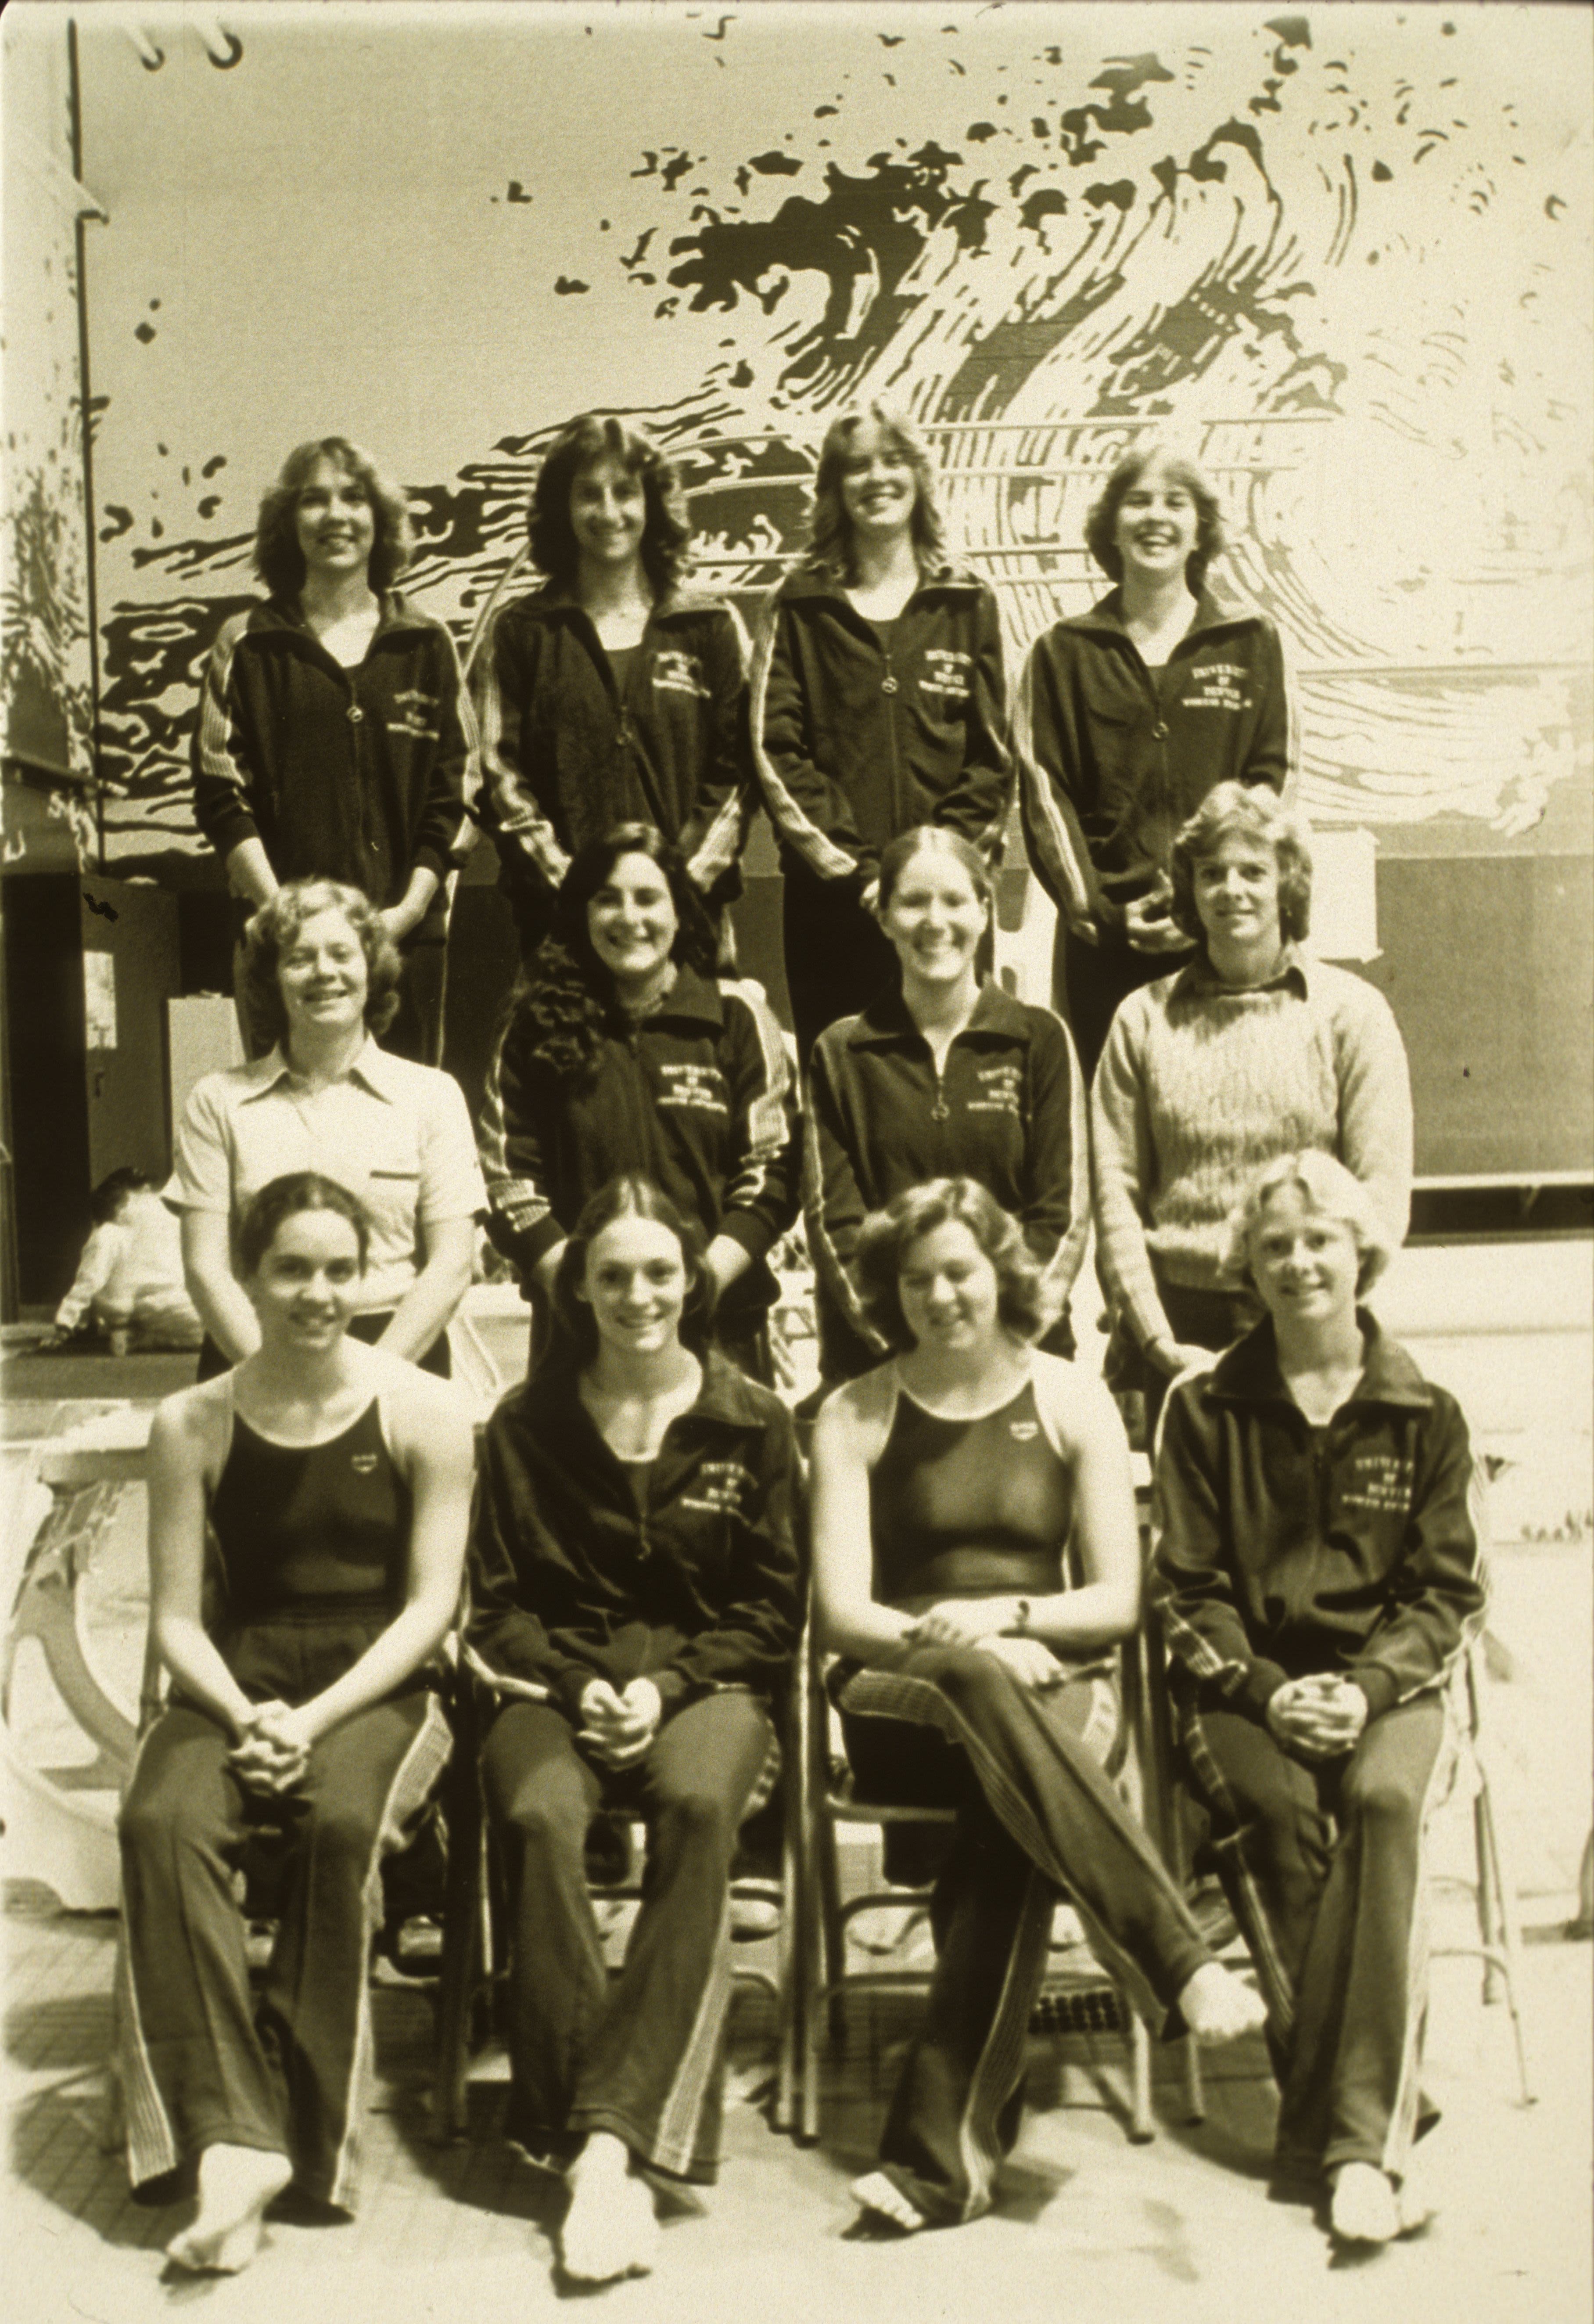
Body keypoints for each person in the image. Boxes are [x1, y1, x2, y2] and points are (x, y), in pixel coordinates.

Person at [809, 1177, 1265, 2235]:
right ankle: (1171, 1952)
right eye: (914, 1279)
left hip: (1053, 1681)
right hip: (897, 1694)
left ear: (1000, 1274)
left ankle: (938, 2168)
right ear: (891, 1290)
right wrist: (964, 1644)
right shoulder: (855, 1409)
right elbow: (840, 1614)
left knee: (1005, 1821)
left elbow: (1114, 1602)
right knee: (977, 1687)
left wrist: (1008, 1617)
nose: (937, 1296)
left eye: (957, 1271)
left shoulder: (1068, 1397)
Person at [116, 1172, 476, 2274]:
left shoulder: (424, 1407)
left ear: (368, 1275)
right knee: (158, 1822)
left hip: (378, 1679)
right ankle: (234, 2147)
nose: (317, 1292)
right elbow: (177, 1619)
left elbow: (431, 1608)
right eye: (291, 1269)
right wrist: (242, 1711)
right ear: (250, 1278)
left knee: (337, 1827)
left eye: (338, 1269)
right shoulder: (193, 1421)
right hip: (240, 1674)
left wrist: (310, 1719)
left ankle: (309, 2154)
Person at [466, 1175, 801, 2285]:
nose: (635, 1293)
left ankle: (600, 2148)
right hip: (550, 1687)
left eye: (658, 1270)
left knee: (701, 1805)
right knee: (537, 1809)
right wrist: (572, 1691)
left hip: (704, 1684)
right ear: (575, 1287)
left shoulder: (752, 1420)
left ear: (690, 1279)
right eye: (609, 1274)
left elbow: (769, 1608)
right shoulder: (522, 1424)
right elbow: (500, 1602)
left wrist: (665, 1689)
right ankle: (599, 2137)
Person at [1151, 1150, 1487, 2247]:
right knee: (1281, 1816)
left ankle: (1344, 2145)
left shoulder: (1424, 1409)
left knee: (1383, 1807)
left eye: (1317, 1241)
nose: (1296, 1263)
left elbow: (1444, 1593)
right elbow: (1181, 1589)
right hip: (1244, 1694)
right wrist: (1264, 1689)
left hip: (1388, 1687)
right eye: (1271, 1246)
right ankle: (1376, 2135)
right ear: (1243, 1268)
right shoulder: (1199, 1406)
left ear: (1361, 1255)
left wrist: (1368, 1685)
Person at [1091, 781, 1412, 1430]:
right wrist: (1158, 1344)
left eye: (1253, 871)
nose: (1231, 889)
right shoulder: (1141, 1019)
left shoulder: (1351, 1013)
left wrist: (1319, 1321)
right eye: (1211, 873)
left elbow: (1381, 1195)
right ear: (1190, 889)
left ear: (1287, 884)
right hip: (1178, 1333)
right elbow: (1115, 1198)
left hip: (1309, 1316)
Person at [190, 434, 479, 1065]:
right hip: (281, 943)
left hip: (404, 941)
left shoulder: (426, 642)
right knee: (287, 1136)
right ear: (288, 524)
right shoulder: (247, 643)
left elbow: (458, 794)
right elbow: (220, 790)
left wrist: (404, 914)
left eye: (353, 498)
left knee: (398, 1138)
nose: (336, 516)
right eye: (313, 500)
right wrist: (286, 916)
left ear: (379, 519)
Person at [477, 824, 800, 1378]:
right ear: (581, 912)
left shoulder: (737, 1017)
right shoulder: (531, 1026)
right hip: (577, 1328)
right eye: (607, 899)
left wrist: (700, 1283)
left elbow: (772, 1167)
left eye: (648, 898)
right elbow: (506, 1177)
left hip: (722, 1322)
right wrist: (586, 1291)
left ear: (680, 911)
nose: (630, 918)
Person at [1016, 441, 1292, 1076]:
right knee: (1120, 1136)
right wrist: (1101, 917)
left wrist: (1214, 905)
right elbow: (1042, 795)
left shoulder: (1253, 642)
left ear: (1201, 529)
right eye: (1137, 501)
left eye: (1176, 502)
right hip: (1110, 942)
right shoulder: (1061, 653)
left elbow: (1272, 782)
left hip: (1226, 936)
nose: (1156, 517)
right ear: (1112, 526)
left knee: (1237, 1113)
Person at [752, 402, 1012, 1059]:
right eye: (858, 466)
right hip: (833, 905)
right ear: (835, 490)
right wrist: (864, 877)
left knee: (950, 1075)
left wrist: (936, 879)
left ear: (920, 478)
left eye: (893, 461)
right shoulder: (798, 605)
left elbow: (995, 757)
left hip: (944, 911)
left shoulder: (968, 601)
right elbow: (776, 752)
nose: (878, 478)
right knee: (843, 1087)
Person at [166, 878, 485, 1381]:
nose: (324, 973)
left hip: (398, 1352)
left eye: (341, 953)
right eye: (299, 958)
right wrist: (276, 1378)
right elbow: (206, 1270)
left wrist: (367, 1384)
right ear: (273, 977)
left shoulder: (433, 1095)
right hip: (250, 1352)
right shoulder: (218, 1099)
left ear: (371, 969)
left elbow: (450, 1265)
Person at [805, 824, 1087, 1386]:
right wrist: (905, 1347)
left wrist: (1004, 1336)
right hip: (879, 1363)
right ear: (883, 916)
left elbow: (1062, 1214)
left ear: (984, 910)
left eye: (955, 900)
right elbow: (834, 1226)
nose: (935, 921)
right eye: (912, 901)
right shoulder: (839, 1052)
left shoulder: (1039, 1038)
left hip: (1020, 1355)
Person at [473, 412, 755, 968]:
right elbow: (499, 777)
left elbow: (739, 775)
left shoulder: (710, 625)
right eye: (588, 495)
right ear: (563, 507)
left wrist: (675, 889)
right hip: (559, 927)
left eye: (625, 492)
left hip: (690, 922)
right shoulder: (519, 631)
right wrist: (579, 891)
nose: (608, 512)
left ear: (651, 504)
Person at [43, 1169, 201, 1353]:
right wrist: (66, 1322)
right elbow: (89, 1280)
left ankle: (140, 1337)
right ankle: (141, 1337)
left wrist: (66, 1323)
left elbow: (90, 1279)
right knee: (218, 1328)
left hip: (161, 1305)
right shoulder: (165, 1221)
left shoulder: (117, 1229)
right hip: (171, 1304)